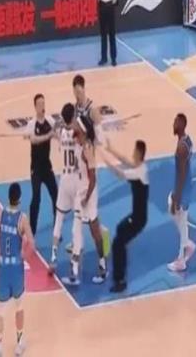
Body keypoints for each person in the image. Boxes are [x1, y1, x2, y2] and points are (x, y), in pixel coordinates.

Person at [0, 182, 34, 357]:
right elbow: (32, 244)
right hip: (16, 269)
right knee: (19, 306)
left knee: (0, 310)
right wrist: (24, 256)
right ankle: (19, 344)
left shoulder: (0, 214)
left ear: (8, 197)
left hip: (2, 268)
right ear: (19, 198)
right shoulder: (22, 219)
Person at [62, 115, 108, 286]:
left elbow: (93, 178)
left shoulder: (87, 149)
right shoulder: (79, 140)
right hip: (81, 192)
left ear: (81, 129)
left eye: (76, 123)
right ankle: (75, 272)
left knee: (94, 231)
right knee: (77, 231)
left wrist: (86, 198)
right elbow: (68, 129)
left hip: (88, 194)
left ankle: (102, 267)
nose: (73, 124)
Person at [103, 139, 149, 293]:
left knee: (117, 243)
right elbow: (125, 161)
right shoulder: (140, 167)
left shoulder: (139, 173)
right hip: (136, 216)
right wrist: (110, 149)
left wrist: (104, 160)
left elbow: (120, 173)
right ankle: (122, 259)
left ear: (139, 153)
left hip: (138, 219)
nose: (132, 153)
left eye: (134, 151)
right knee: (120, 228)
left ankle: (120, 280)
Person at [48, 103, 77, 273]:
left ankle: (53, 257)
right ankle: (74, 256)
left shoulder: (61, 132)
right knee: (77, 218)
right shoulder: (77, 134)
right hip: (76, 180)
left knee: (59, 219)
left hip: (64, 180)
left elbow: (54, 130)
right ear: (73, 117)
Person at [25, 94, 58, 236]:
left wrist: (59, 136)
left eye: (43, 103)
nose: (42, 106)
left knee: (56, 196)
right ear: (35, 107)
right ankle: (31, 231)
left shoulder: (50, 121)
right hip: (36, 168)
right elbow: (34, 140)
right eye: (39, 104)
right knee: (36, 198)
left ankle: (57, 228)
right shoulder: (31, 124)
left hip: (47, 167)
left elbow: (57, 133)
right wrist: (48, 136)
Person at [167, 113, 196, 272]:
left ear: (181, 125)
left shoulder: (181, 148)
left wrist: (177, 197)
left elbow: (182, 174)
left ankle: (181, 260)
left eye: (175, 123)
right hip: (186, 185)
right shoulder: (187, 140)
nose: (173, 125)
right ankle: (187, 244)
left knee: (178, 214)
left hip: (183, 188)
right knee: (180, 219)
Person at [72, 74, 105, 146]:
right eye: (75, 92)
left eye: (78, 92)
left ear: (84, 89)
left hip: (89, 148)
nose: (77, 96)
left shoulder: (92, 109)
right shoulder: (74, 108)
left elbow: (100, 139)